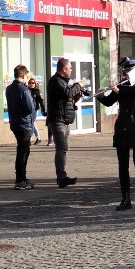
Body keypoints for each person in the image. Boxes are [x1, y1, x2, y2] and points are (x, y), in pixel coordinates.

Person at [96, 57, 135, 210]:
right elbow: (110, 101)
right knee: (122, 165)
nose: (126, 73)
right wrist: (101, 96)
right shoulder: (122, 85)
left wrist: (119, 90)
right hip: (123, 126)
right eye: (125, 71)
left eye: (129, 70)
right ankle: (126, 199)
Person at [46, 58, 85, 188]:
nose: (71, 70)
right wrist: (78, 85)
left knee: (64, 149)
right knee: (61, 148)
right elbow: (67, 92)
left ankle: (62, 176)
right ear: (64, 69)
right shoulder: (55, 81)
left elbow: (66, 98)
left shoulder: (63, 82)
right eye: (70, 68)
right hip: (57, 120)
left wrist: (76, 98)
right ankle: (61, 178)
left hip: (65, 120)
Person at [6, 64, 36, 190]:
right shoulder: (24, 90)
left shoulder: (9, 88)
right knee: (23, 152)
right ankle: (20, 180)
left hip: (15, 122)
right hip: (24, 124)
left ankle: (22, 178)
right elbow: (30, 108)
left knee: (21, 151)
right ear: (23, 75)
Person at [27, 78, 46, 145]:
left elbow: (41, 101)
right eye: (30, 83)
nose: (31, 84)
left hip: (35, 109)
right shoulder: (27, 90)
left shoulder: (36, 91)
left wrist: (43, 109)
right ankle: (38, 138)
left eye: (33, 83)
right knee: (31, 123)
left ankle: (30, 139)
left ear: (35, 84)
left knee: (31, 123)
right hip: (28, 110)